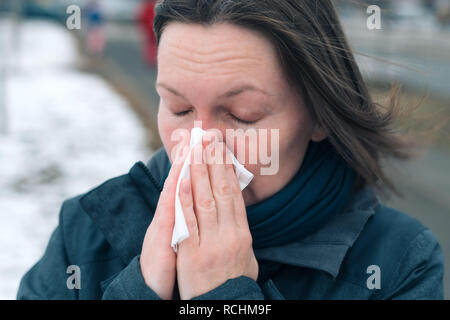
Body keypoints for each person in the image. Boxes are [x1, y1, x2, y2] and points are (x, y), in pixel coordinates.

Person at [17, 0, 444, 300]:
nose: (199, 144)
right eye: (179, 106)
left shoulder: (398, 263)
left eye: (242, 114)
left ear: (318, 116)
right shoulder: (86, 233)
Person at [137, 0, 158, 66]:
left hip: (151, 28)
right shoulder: (152, 7)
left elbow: (141, 19)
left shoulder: (147, 7)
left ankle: (151, 58)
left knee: (151, 44)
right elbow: (142, 19)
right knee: (152, 44)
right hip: (151, 29)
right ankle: (152, 58)